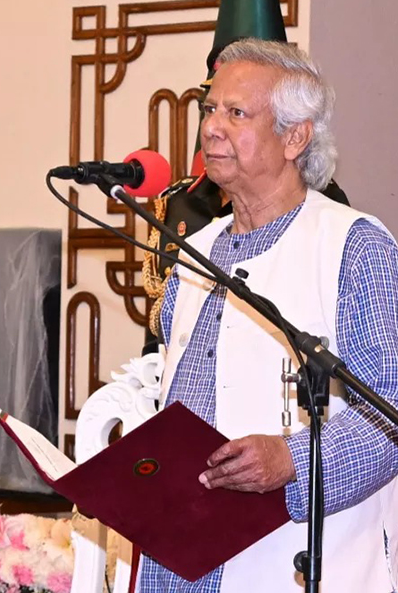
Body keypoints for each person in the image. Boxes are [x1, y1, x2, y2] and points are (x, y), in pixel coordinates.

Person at [139, 38, 398, 592]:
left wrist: (292, 460)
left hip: (293, 560)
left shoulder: (355, 246)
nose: (211, 127)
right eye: (210, 109)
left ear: (295, 136)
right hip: (178, 559)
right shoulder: (191, 253)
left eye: (236, 112)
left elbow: (390, 416)